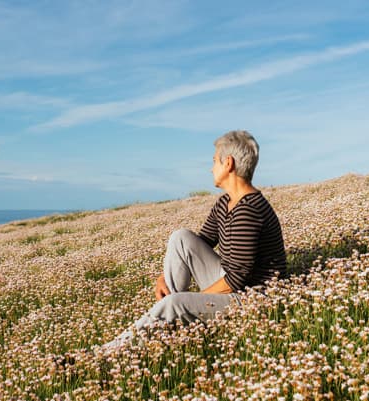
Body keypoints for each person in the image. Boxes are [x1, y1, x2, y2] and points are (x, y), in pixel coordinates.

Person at [99, 130, 286, 351]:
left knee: (175, 304)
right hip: (232, 282)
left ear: (228, 163)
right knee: (180, 238)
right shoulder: (226, 202)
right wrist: (163, 278)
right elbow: (202, 242)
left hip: (253, 300)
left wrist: (191, 300)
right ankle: (166, 314)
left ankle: (104, 354)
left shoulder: (249, 211)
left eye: (214, 161)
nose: (211, 168)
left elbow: (237, 279)